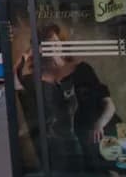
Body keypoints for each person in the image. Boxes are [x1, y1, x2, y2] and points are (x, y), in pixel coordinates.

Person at [14, 23, 120, 173]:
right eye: (47, 46)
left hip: (92, 143)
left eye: (56, 43)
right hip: (60, 150)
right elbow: (14, 82)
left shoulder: (82, 70)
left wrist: (99, 124)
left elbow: (109, 104)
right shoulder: (36, 79)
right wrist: (26, 56)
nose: (54, 48)